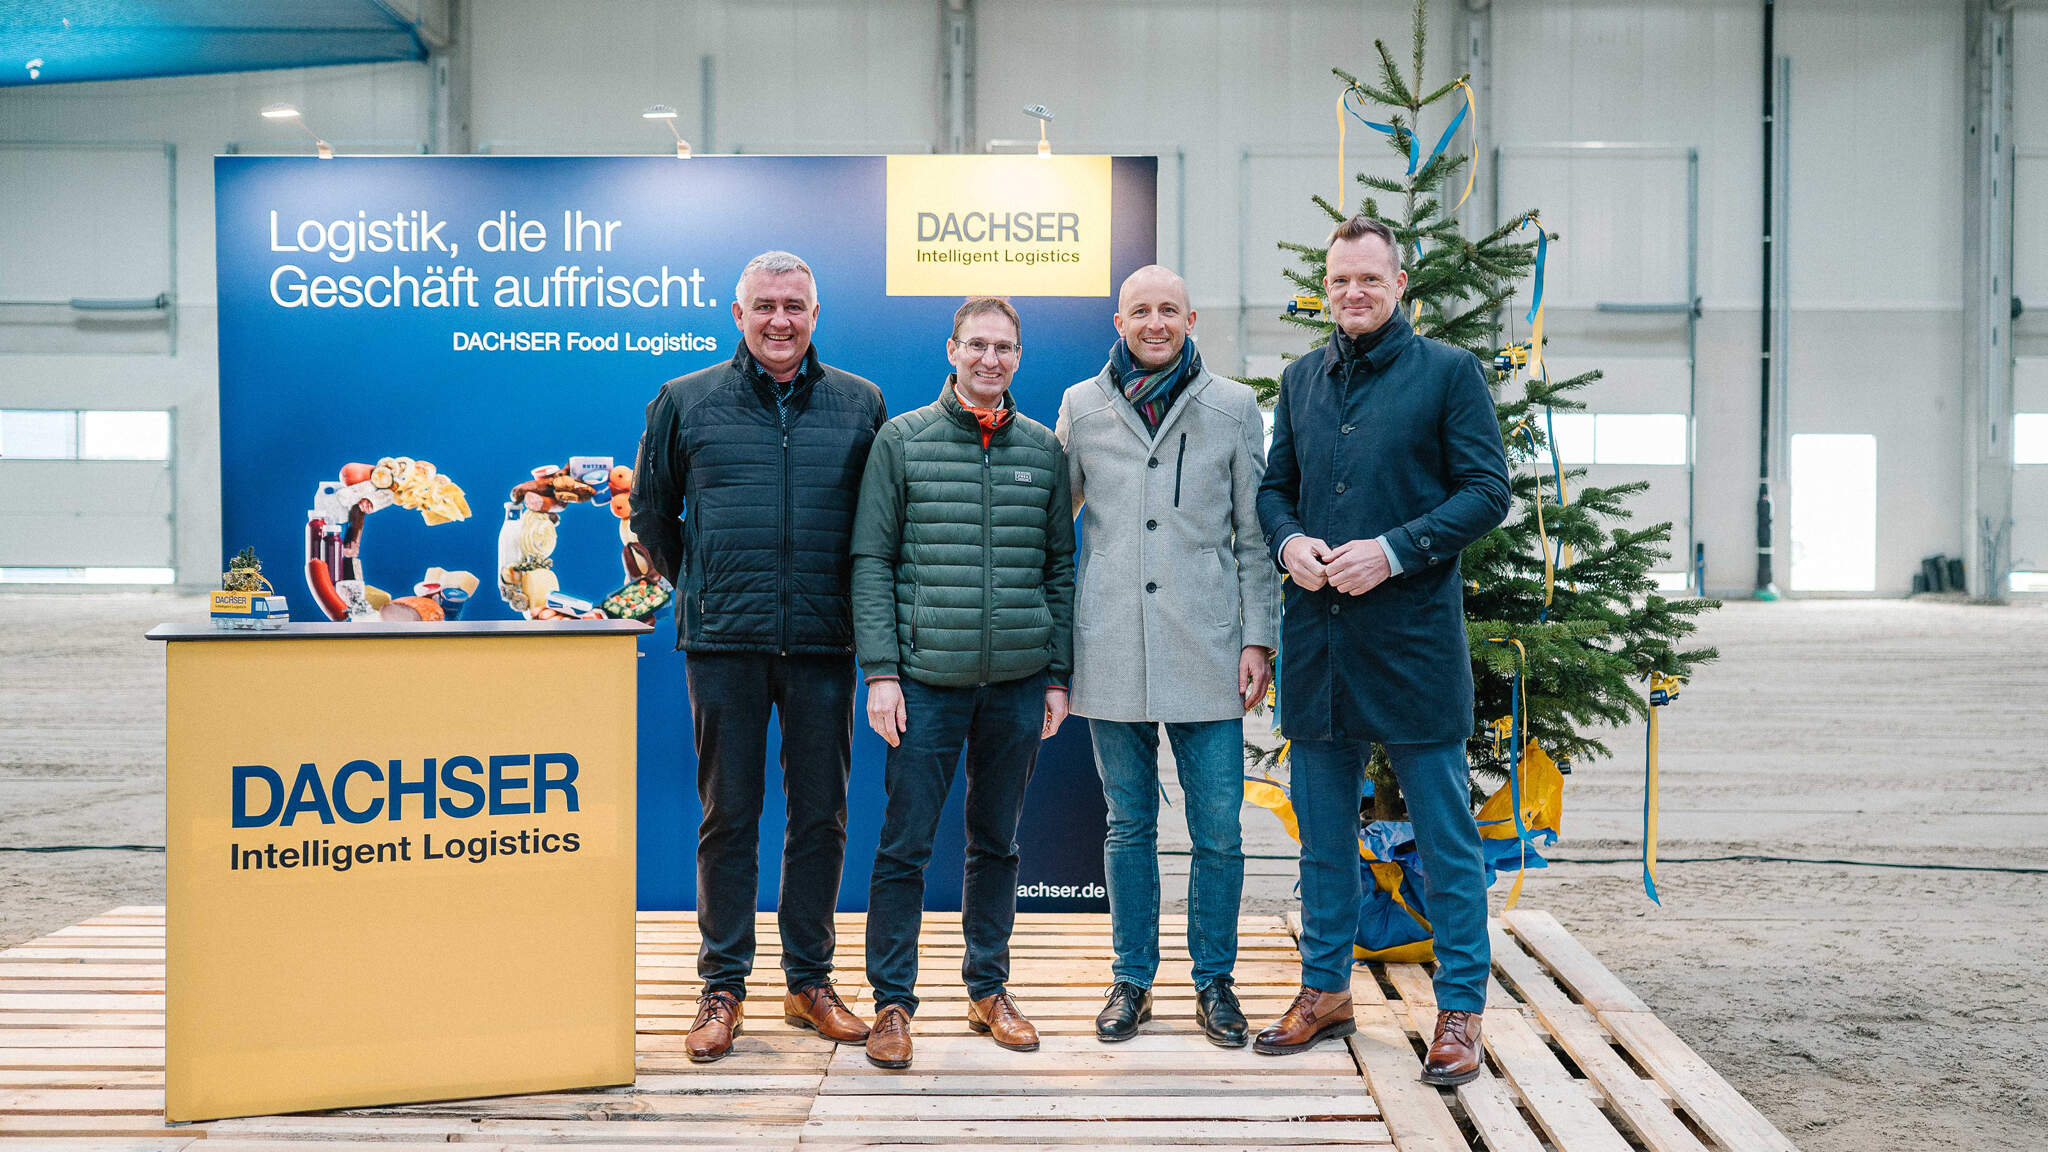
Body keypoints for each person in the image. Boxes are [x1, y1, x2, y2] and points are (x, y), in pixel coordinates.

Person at [1254, 216, 1510, 1084]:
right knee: (1323, 833)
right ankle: (1323, 991)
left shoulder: (1449, 374)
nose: (1353, 294)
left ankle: (1462, 1010)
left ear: (1402, 285)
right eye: (1339, 282)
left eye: (1370, 279)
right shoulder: (1300, 380)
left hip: (1411, 643)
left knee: (1445, 836)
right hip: (1318, 640)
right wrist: (1289, 542)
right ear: (1325, 288)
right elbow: (1274, 487)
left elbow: (1487, 492)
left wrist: (1394, 549)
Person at [629, 250, 886, 1063]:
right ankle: (723, 986)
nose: (781, 320)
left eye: (796, 307)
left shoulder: (860, 404)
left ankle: (809, 981)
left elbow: (880, 526)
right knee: (729, 817)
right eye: (766, 306)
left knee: (821, 816)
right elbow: (652, 514)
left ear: (817, 314)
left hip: (822, 642)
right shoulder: (684, 400)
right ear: (737, 313)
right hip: (723, 645)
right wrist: (702, 583)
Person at [1053, 265, 1279, 1047]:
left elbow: (1254, 537)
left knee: (1219, 828)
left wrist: (1259, 638)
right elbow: (1057, 532)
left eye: (1169, 310)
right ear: (1119, 322)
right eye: (1140, 310)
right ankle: (1132, 979)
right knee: (1128, 825)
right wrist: (1056, 650)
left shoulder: (1233, 408)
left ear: (1192, 317)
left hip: (1208, 646)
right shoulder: (1082, 408)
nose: (1155, 322)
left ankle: (1214, 980)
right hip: (1109, 643)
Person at [850, 296, 1076, 1071]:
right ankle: (892, 1005)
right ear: (951, 350)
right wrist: (881, 672)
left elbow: (1058, 567)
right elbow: (871, 562)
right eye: (976, 344)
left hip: (1017, 683)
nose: (990, 358)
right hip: (925, 683)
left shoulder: (1045, 451)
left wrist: (1056, 675)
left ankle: (988, 988)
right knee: (905, 845)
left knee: (997, 843)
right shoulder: (902, 441)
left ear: (1019, 356)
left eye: (1004, 347)